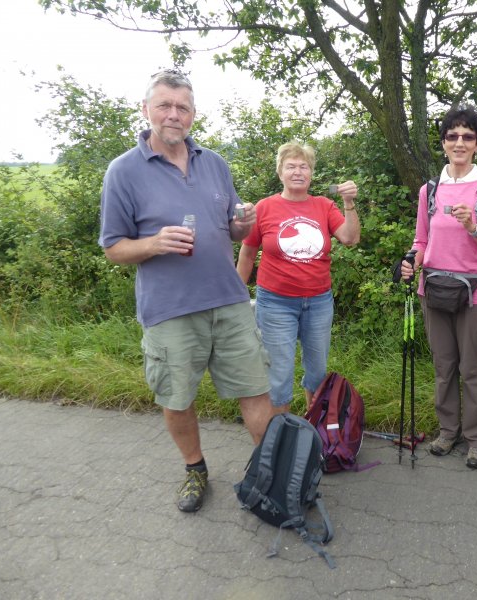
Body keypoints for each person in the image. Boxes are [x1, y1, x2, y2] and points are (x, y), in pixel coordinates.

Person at [99, 69, 273, 514]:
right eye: (164, 106)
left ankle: (271, 473)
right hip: (170, 310)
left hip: (230, 298)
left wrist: (242, 225)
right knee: (178, 397)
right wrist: (154, 243)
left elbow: (229, 228)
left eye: (182, 107)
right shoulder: (123, 172)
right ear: (146, 110)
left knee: (255, 390)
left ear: (193, 114)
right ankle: (195, 470)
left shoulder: (214, 162)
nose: (174, 115)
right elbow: (114, 248)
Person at [400, 106, 477, 469]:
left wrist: (473, 227)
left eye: (467, 136)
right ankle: (449, 432)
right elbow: (421, 240)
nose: (459, 142)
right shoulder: (429, 189)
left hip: (475, 292)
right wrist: (410, 262)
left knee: (472, 369)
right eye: (452, 136)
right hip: (433, 288)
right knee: (444, 367)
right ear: (444, 143)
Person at [237, 141, 360, 412]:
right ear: (280, 172)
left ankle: (312, 432)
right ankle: (282, 437)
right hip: (275, 303)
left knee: (317, 373)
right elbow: (247, 255)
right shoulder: (265, 208)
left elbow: (350, 238)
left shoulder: (324, 206)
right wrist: (234, 294)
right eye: (290, 166)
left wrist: (348, 203)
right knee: (279, 375)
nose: (297, 171)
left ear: (311, 173)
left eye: (304, 166)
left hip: (318, 302)